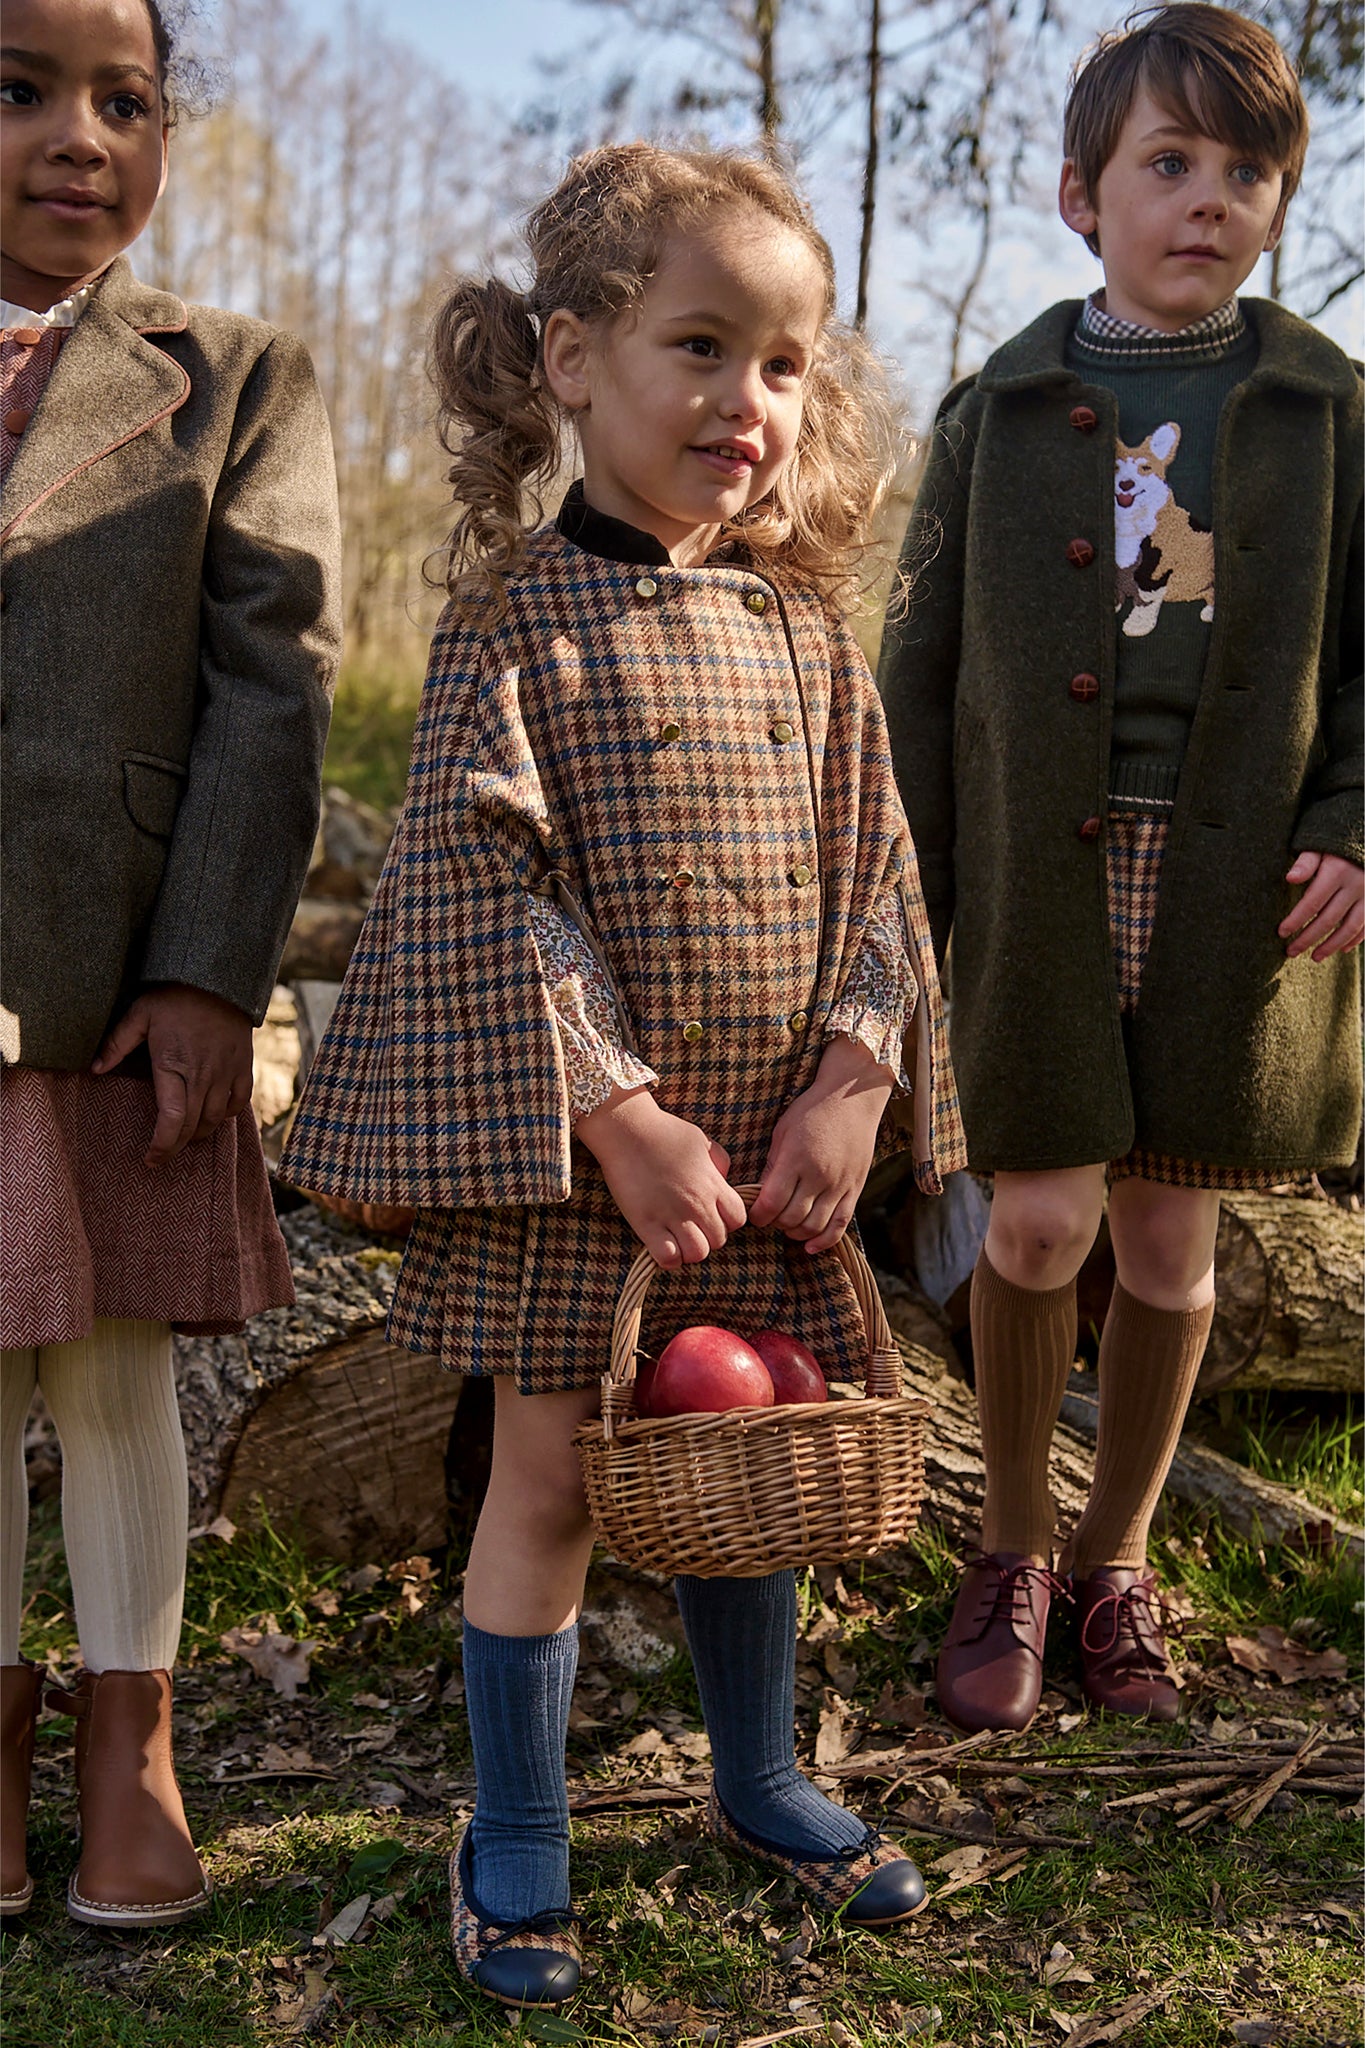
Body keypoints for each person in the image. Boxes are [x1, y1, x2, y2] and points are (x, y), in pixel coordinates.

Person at [283, 142, 965, 2009]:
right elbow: (486, 884)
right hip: (580, 1170)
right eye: (699, 345)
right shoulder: (515, 623)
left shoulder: (809, 638)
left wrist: (851, 1080)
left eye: (783, 364)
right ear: (571, 357)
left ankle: (756, 1774)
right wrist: (617, 1110)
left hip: (772, 1163)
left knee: (750, 1453)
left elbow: (881, 881)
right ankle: (515, 1826)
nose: (745, 402)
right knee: (552, 1480)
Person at [879, 2, 1361, 1737]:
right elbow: (916, 677)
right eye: (1169, 163)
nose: (1208, 198)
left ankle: (1113, 1561)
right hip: (1033, 874)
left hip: (1241, 882)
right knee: (1031, 1213)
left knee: (1166, 1240)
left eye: (1248, 170)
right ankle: (1005, 1554)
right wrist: (900, 902)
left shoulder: (1325, 406)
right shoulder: (997, 408)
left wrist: (1354, 824)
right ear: (1082, 192)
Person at [0, 0, 341, 1925]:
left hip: (124, 970)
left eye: (124, 101)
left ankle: (129, 1737)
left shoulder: (228, 376)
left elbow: (271, 691)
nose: (79, 136)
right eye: (23, 89)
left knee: (116, 1367)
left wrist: (215, 970)